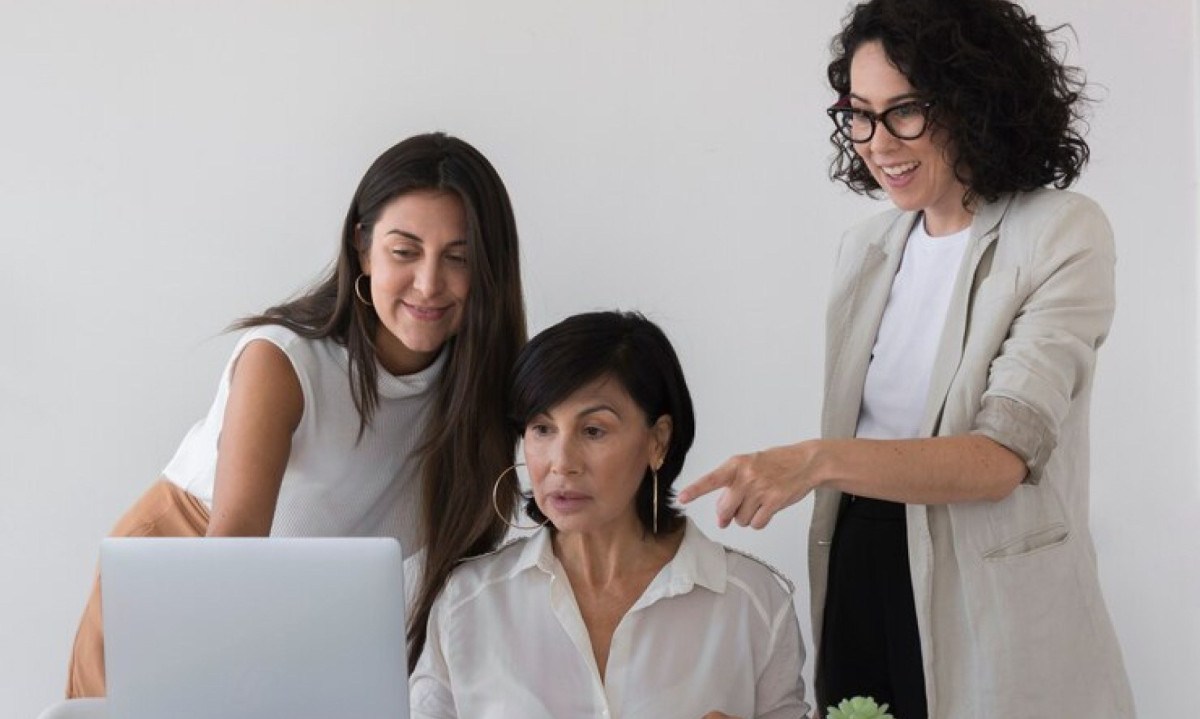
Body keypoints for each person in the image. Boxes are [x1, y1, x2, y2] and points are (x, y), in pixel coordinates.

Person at [678, 1, 1135, 716]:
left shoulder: (1060, 234)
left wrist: (813, 459)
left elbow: (999, 458)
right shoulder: (866, 248)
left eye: (906, 112)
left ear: (976, 104)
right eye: (859, 113)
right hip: (862, 562)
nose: (877, 141)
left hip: (985, 593)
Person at [66, 132, 527, 696]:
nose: (428, 284)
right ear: (362, 247)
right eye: (404, 252)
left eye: (458, 258)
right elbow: (231, 553)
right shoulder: (284, 361)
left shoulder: (485, 388)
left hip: (303, 610)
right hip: (185, 572)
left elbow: (566, 495)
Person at [409, 311, 809, 719]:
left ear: (658, 441)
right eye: (542, 429)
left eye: (593, 430)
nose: (561, 463)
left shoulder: (752, 603)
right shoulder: (468, 602)